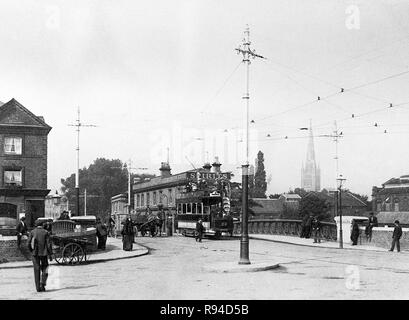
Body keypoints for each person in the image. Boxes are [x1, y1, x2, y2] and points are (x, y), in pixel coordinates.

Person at [27, 220, 53, 292]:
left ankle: (38, 288)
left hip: (35, 254)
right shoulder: (46, 232)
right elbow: (48, 245)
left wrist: (31, 251)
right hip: (44, 254)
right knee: (45, 268)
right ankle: (43, 284)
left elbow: (28, 243)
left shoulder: (32, 232)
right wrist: (50, 254)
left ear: (36, 225)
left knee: (36, 269)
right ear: (42, 224)